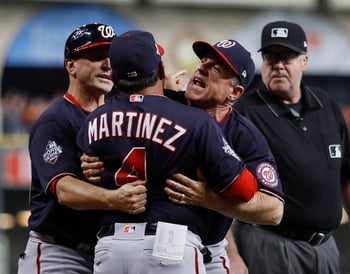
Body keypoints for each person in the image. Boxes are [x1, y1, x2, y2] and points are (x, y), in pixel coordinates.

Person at [75, 29, 261, 274]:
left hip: (111, 247)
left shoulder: (94, 120)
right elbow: (244, 189)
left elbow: (85, 170)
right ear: (161, 71)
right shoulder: (194, 120)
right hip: (170, 243)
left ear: (114, 75)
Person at [232, 20, 350, 274]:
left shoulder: (327, 105)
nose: (277, 65)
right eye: (269, 57)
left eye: (286, 57)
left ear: (304, 62)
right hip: (270, 244)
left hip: (326, 247)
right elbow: (221, 188)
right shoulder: (244, 112)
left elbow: (349, 175)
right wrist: (232, 253)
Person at [17, 23, 147, 274]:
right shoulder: (55, 120)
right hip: (60, 254)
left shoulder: (119, 115)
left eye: (111, 58)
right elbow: (64, 189)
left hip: (107, 252)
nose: (107, 65)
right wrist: (114, 199)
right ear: (71, 65)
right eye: (97, 57)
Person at [163, 39, 285, 274]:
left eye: (216, 68)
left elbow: (274, 210)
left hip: (210, 251)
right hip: (161, 245)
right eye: (203, 61)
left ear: (234, 92)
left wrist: (210, 200)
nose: (202, 68)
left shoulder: (243, 134)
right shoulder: (166, 104)